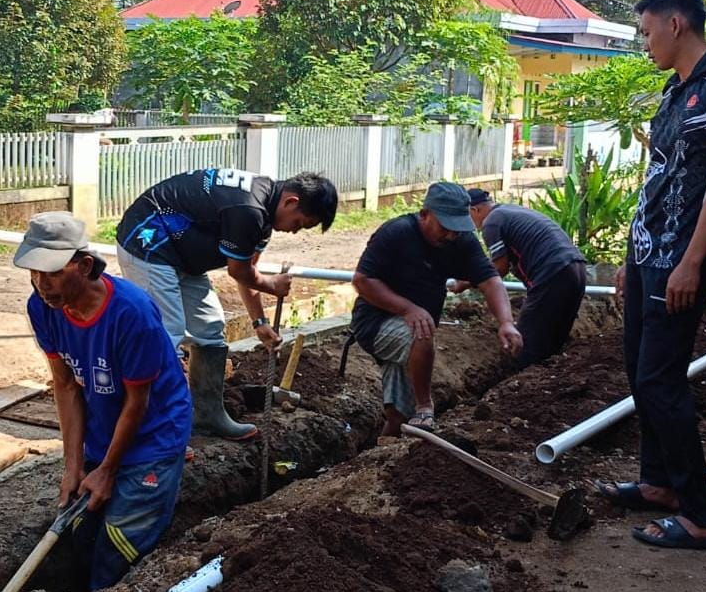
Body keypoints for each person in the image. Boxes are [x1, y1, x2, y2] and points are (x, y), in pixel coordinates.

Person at [599, 0, 706, 551]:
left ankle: (701, 517)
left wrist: (691, 263)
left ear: (675, 24)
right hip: (648, 256)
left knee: (660, 382)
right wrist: (628, 257)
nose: (644, 44)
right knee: (639, 374)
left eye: (645, 32)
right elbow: (654, 180)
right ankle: (658, 483)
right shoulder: (674, 92)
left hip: (682, 260)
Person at [16, 212, 192, 591]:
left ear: (85, 265)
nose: (41, 285)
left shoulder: (132, 313)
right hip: (103, 428)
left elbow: (137, 402)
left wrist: (109, 470)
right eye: (33, 272)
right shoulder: (43, 308)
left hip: (153, 434)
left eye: (52, 272)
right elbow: (65, 387)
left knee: (118, 548)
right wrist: (73, 466)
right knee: (80, 530)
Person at [115, 169, 338, 441]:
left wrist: (260, 323)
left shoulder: (263, 213)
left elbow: (246, 268)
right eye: (300, 223)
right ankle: (159, 432)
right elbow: (240, 273)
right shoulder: (249, 210)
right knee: (167, 333)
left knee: (210, 327)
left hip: (182, 256)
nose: (295, 231)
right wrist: (272, 285)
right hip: (149, 243)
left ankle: (207, 416)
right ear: (291, 202)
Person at [350, 182, 523, 435]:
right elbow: (362, 281)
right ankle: (425, 407)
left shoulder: (460, 241)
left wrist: (506, 322)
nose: (451, 235)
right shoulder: (396, 233)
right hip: (375, 322)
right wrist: (408, 309)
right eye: (445, 227)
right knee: (421, 334)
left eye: (457, 228)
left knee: (399, 413)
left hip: (412, 324)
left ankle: (378, 454)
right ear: (424, 215)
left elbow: (490, 280)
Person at [466, 189, 587, 367]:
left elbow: (499, 268)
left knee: (525, 343)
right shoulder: (511, 211)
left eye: (466, 216)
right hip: (577, 268)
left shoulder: (492, 222)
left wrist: (467, 281)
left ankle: (520, 386)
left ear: (475, 210)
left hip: (552, 272)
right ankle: (546, 381)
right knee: (553, 340)